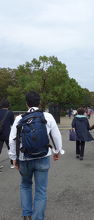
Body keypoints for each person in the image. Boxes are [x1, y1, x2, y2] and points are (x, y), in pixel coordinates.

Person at [8, 91, 63, 220]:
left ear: (26, 103)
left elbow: (12, 140)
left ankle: (27, 215)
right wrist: (57, 151)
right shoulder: (47, 116)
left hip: (24, 157)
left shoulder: (19, 118)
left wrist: (13, 158)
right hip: (43, 157)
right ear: (39, 102)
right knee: (41, 190)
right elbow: (56, 136)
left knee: (26, 185)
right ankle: (38, 217)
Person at [0, 98, 14, 170]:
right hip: (8, 133)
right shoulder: (10, 113)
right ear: (8, 105)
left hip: (0, 133)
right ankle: (12, 163)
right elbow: (12, 124)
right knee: (10, 148)